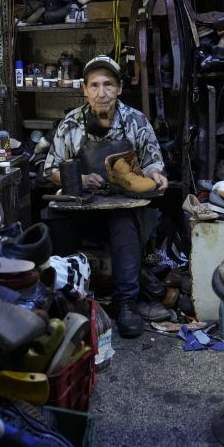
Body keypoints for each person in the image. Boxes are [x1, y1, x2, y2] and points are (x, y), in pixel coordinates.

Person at [43, 55, 168, 338]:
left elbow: (152, 161)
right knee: (56, 220)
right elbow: (50, 169)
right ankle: (65, 297)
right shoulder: (71, 124)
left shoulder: (136, 121)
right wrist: (80, 179)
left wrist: (157, 174)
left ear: (119, 88)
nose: (102, 92)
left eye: (109, 84)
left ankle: (126, 303)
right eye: (95, 85)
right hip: (83, 206)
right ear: (85, 90)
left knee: (123, 222)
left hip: (121, 204)